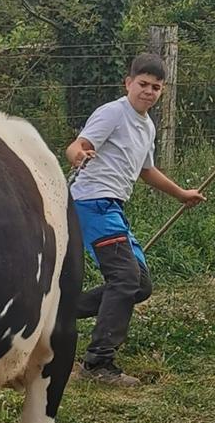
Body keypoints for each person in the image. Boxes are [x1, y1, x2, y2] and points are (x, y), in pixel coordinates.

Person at [66, 52, 206, 386]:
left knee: (139, 285)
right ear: (128, 82)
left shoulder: (147, 126)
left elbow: (147, 171)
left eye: (156, 87)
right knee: (125, 279)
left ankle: (57, 312)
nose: (149, 91)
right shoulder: (114, 112)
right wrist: (79, 156)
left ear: (162, 91)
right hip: (92, 202)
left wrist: (181, 194)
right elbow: (78, 144)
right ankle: (97, 364)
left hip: (113, 208)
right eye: (143, 84)